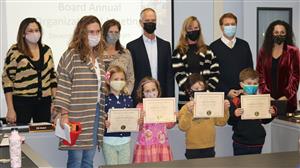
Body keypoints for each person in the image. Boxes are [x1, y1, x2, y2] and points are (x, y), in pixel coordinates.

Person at [54, 15, 105, 168]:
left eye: (98, 31)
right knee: (76, 160)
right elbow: (63, 86)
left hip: (95, 114)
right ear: (82, 33)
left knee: (89, 161)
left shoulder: (99, 57)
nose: (95, 35)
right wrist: (64, 115)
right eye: (91, 32)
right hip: (74, 115)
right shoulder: (71, 55)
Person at [2, 17, 57, 124]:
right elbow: (7, 81)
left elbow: (52, 78)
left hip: (44, 102)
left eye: (37, 30)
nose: (34, 33)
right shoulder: (15, 51)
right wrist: (10, 108)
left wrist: (54, 101)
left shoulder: (47, 50)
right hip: (22, 102)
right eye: (30, 31)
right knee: (21, 135)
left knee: (43, 136)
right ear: (23, 34)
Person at [126, 8, 174, 105]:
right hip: (141, 98)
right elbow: (132, 75)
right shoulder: (132, 46)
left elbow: (169, 75)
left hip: (162, 97)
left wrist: (170, 98)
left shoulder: (165, 45)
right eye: (147, 21)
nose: (150, 23)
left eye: (153, 21)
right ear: (141, 22)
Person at [178, 73, 230, 159]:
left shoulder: (211, 105)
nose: (199, 91)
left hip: (209, 146)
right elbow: (182, 127)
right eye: (196, 89)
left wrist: (225, 109)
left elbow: (221, 122)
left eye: (202, 88)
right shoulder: (185, 108)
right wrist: (188, 112)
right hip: (192, 148)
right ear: (188, 90)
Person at [172, 16, 219, 109]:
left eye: (196, 28)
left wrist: (205, 93)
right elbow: (179, 76)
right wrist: (192, 93)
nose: (193, 30)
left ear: (200, 30)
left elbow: (215, 74)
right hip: (186, 100)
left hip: (207, 100)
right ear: (185, 31)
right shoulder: (178, 52)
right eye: (190, 28)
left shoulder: (209, 50)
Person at [228, 68, 277, 156]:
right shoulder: (236, 100)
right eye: (249, 83)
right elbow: (230, 121)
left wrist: (272, 113)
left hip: (257, 142)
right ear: (242, 84)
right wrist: (235, 114)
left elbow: (264, 121)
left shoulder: (261, 100)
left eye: (255, 83)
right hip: (240, 142)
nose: (252, 86)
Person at [256, 20, 300, 114]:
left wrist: (286, 96)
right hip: (268, 100)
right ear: (271, 34)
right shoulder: (263, 52)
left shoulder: (293, 52)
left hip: (287, 101)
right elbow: (259, 75)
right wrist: (266, 95)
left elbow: (295, 76)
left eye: (282, 32)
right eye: (276, 32)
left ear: (286, 34)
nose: (279, 34)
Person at [210, 12, 253, 99]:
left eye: (233, 24)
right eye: (227, 24)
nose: (230, 27)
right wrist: (226, 91)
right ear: (221, 27)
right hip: (222, 96)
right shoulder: (213, 47)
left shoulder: (244, 45)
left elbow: (249, 70)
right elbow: (212, 74)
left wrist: (244, 88)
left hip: (243, 94)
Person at [133, 76, 175, 163]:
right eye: (147, 91)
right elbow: (138, 127)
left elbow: (169, 125)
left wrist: (174, 116)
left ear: (158, 90)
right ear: (142, 93)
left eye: (153, 90)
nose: (151, 93)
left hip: (161, 144)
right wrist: (140, 120)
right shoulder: (140, 106)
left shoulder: (164, 105)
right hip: (145, 145)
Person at [103, 65, 133, 165]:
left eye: (122, 79)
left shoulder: (128, 99)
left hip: (125, 140)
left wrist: (137, 120)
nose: (119, 81)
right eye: (116, 79)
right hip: (108, 141)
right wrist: (104, 122)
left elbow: (131, 118)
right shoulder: (103, 99)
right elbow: (100, 118)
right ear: (108, 81)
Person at [102, 19, 135, 94]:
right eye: (110, 32)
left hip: (120, 97)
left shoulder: (125, 53)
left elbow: (130, 77)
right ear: (104, 33)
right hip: (99, 98)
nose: (113, 34)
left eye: (116, 32)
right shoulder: (96, 53)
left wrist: (126, 93)